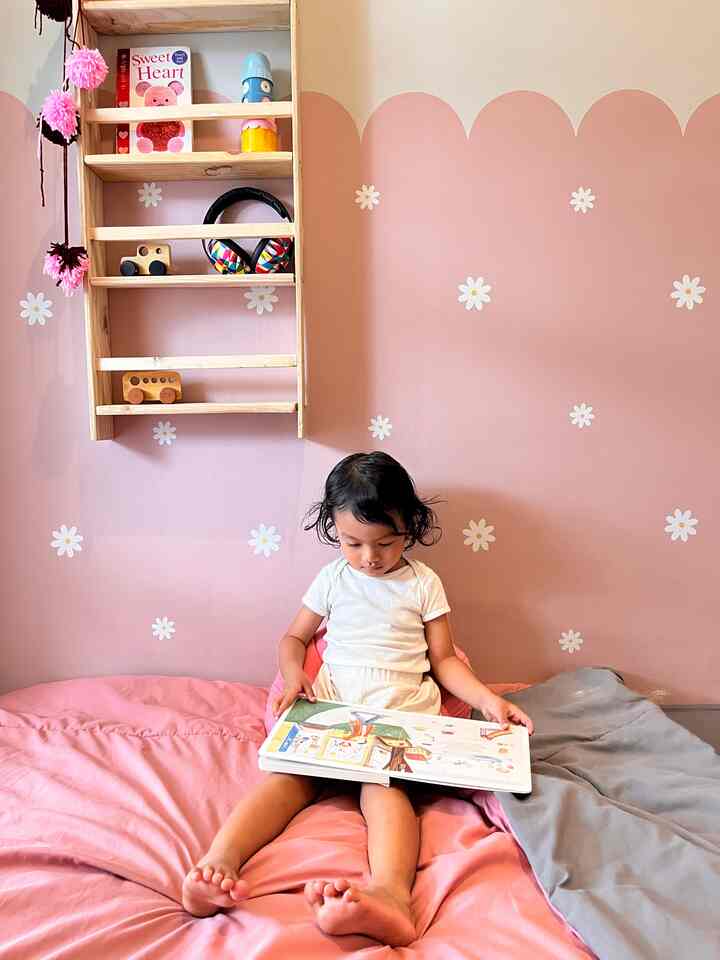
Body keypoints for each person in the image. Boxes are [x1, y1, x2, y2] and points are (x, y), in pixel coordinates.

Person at [182, 452, 533, 945]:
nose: (370, 557)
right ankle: (217, 863)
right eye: (353, 543)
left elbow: (445, 660)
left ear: (410, 527)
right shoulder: (333, 579)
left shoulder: (423, 584)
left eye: (385, 543)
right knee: (286, 780)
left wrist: (491, 702)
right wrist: (292, 678)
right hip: (333, 712)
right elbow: (294, 640)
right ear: (333, 530)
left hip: (397, 718)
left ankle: (390, 896)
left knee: (383, 789)